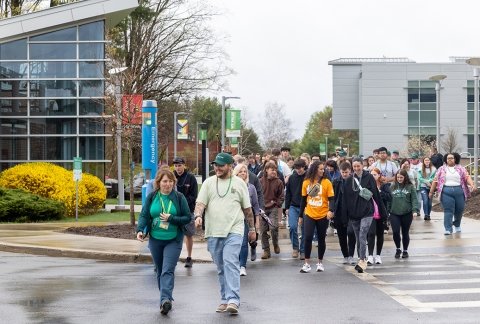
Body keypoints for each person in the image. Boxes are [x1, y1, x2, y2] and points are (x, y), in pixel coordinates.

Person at [194, 153, 255, 315]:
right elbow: (200, 203)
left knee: (230, 262)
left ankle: (234, 299)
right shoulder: (208, 183)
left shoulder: (239, 184)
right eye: (215, 165)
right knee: (221, 267)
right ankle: (224, 299)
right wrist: (198, 216)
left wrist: (252, 229)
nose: (217, 168)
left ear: (230, 166)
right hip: (214, 231)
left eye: (221, 165)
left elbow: (247, 210)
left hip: (234, 230)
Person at [136, 169, 191, 315]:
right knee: (160, 270)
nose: (168, 184)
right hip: (155, 239)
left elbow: (187, 217)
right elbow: (144, 215)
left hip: (173, 239)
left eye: (170, 181)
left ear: (174, 182)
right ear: (158, 183)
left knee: (167, 270)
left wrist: (171, 218)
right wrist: (140, 230)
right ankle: (164, 299)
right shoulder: (152, 196)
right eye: (165, 181)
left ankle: (166, 300)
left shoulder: (179, 197)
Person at [341, 157, 387, 273]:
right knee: (358, 237)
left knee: (362, 235)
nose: (356, 168)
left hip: (367, 211)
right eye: (354, 166)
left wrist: (383, 213)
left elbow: (376, 195)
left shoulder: (369, 177)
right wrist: (344, 216)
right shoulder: (348, 180)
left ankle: (362, 261)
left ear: (362, 165)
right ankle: (362, 258)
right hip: (354, 213)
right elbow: (345, 200)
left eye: (358, 166)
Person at [299, 160, 334, 273]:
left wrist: (331, 210)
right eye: (320, 169)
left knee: (321, 238)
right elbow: (303, 200)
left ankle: (320, 263)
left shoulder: (327, 182)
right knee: (308, 237)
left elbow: (332, 199)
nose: (323, 171)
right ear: (314, 170)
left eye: (323, 169)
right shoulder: (306, 183)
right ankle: (307, 263)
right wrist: (300, 216)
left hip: (323, 214)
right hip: (309, 213)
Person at [429, 153, 476, 235]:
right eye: (448, 158)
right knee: (448, 211)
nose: (449, 159)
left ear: (455, 159)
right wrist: (431, 192)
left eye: (451, 158)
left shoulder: (461, 168)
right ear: (445, 160)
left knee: (459, 210)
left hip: (459, 191)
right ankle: (448, 228)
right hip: (446, 191)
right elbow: (435, 181)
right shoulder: (441, 169)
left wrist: (472, 184)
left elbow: (467, 177)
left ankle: (457, 224)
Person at [233, 164, 260, 277]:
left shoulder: (251, 188)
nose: (243, 173)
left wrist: (256, 221)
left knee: (244, 242)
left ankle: (242, 266)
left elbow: (255, 205)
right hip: (232, 219)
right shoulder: (232, 186)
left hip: (245, 219)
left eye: (245, 171)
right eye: (241, 171)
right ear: (236, 173)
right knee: (234, 243)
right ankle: (234, 264)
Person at [172, 157, 198, 268]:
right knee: (173, 234)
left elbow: (194, 195)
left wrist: (183, 204)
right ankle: (171, 257)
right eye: (176, 165)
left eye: (180, 165)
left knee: (188, 235)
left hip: (187, 211)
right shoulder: (171, 177)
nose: (178, 168)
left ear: (184, 165)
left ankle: (189, 257)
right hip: (173, 211)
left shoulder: (191, 178)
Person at [389, 169, 419, 259]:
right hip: (394, 213)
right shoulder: (392, 186)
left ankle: (405, 250)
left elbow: (414, 199)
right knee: (395, 232)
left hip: (407, 213)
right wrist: (387, 211)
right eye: (398, 177)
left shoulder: (410, 187)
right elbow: (388, 200)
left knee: (405, 232)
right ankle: (398, 248)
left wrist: (414, 211)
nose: (399, 179)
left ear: (405, 177)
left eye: (401, 177)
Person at [332, 161, 357, 265]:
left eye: (346, 172)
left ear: (350, 171)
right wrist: (332, 210)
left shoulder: (354, 181)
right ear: (340, 171)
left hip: (352, 212)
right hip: (339, 212)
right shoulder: (336, 181)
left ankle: (351, 255)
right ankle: (345, 255)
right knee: (341, 236)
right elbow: (332, 197)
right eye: (343, 172)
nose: (345, 174)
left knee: (351, 233)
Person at [260, 161, 285, 259]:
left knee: (274, 227)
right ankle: (266, 250)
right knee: (263, 231)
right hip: (262, 209)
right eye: (272, 170)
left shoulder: (279, 182)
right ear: (266, 170)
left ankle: (275, 243)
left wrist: (277, 203)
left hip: (273, 207)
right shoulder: (261, 181)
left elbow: (281, 196)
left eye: (275, 170)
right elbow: (258, 194)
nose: (274, 172)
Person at [367, 167, 391, 265]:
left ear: (379, 175)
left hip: (381, 213)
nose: (373, 176)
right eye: (371, 174)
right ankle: (370, 256)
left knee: (380, 234)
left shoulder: (384, 186)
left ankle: (378, 255)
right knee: (371, 233)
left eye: (375, 175)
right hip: (370, 213)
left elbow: (389, 197)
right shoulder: (367, 185)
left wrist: (379, 193)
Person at [285, 158, 307, 259]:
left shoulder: (308, 177)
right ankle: (295, 248)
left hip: (306, 206)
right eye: (296, 168)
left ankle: (303, 250)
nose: (298, 170)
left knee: (304, 229)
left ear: (304, 167)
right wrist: (287, 207)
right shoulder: (292, 178)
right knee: (293, 227)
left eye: (300, 168)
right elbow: (288, 193)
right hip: (293, 206)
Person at [418, 157, 436, 221]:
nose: (427, 161)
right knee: (425, 201)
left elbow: (434, 177)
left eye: (428, 160)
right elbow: (419, 178)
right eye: (425, 160)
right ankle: (426, 214)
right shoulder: (420, 169)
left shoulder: (434, 169)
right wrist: (426, 182)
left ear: (430, 161)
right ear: (423, 161)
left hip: (431, 186)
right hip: (423, 187)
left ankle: (428, 214)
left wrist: (429, 181)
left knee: (429, 202)